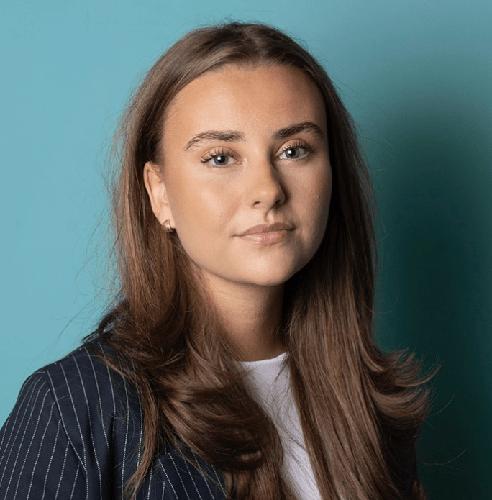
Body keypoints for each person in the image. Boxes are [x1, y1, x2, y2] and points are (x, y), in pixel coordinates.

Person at [0, 21, 439, 499]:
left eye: (294, 150)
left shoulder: (370, 405)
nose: (267, 189)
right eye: (220, 158)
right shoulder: (74, 406)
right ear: (159, 192)